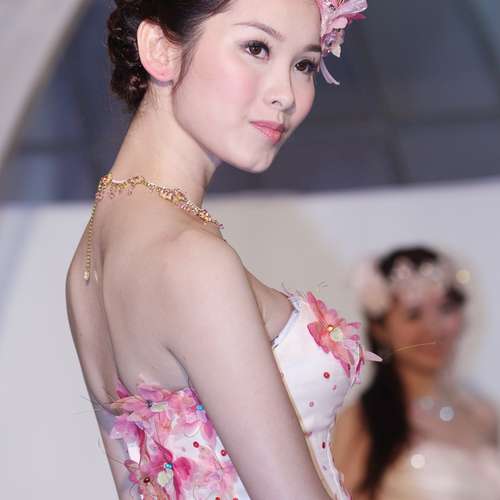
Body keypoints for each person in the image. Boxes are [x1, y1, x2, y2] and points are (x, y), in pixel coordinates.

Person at [66, 1, 377, 498]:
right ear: (160, 49)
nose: (286, 94)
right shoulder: (191, 258)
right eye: (256, 47)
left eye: (305, 64)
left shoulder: (89, 258)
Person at [332, 246, 500, 500]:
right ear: (380, 329)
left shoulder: (482, 413)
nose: (434, 328)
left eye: (446, 308)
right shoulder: (363, 421)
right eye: (413, 315)